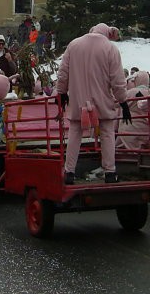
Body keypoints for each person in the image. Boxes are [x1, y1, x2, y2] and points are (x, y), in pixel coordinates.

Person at [56, 23, 130, 184]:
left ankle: (69, 171)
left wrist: (61, 93)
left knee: (75, 133)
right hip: (102, 99)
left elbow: (63, 73)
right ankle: (110, 172)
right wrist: (123, 101)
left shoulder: (74, 45)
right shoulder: (110, 49)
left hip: (78, 99)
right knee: (107, 132)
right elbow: (117, 80)